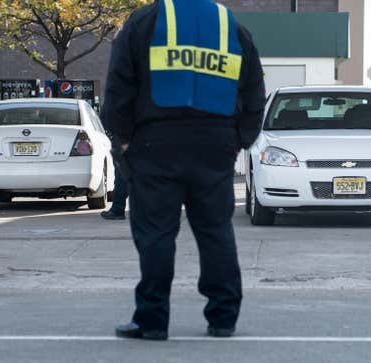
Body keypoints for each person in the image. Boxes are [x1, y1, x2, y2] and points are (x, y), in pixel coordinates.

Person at [103, 0, 265, 340]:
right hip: (215, 144)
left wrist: (123, 137)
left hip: (155, 141)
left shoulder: (145, 20)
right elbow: (254, 88)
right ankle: (223, 318)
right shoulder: (231, 25)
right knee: (215, 231)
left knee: (156, 233)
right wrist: (240, 137)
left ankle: (152, 321)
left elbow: (119, 82)